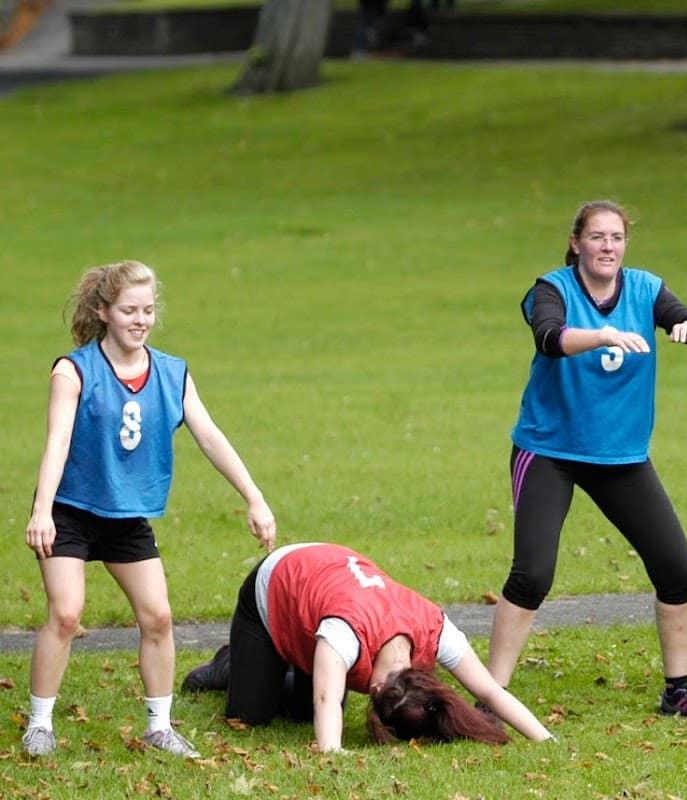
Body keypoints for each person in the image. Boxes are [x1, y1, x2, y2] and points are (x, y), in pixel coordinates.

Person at [22, 260, 277, 759]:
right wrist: (42, 511)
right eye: (129, 310)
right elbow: (56, 443)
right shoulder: (73, 371)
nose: (140, 320)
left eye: (148, 310)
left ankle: (159, 726)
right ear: (104, 311)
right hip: (69, 510)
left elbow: (210, 436)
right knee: (67, 612)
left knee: (158, 617)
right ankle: (40, 725)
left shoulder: (172, 373)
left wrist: (255, 497)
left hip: (124, 515)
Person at [487, 200, 687, 720]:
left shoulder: (645, 288)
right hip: (549, 450)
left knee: (677, 570)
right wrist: (602, 335)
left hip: (621, 457)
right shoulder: (550, 289)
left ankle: (677, 690)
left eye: (616, 238)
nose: (608, 247)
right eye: (597, 237)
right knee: (533, 575)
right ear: (576, 243)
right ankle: (491, 697)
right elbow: (550, 338)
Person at [181, 542, 554, 750]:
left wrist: (545, 739)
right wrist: (333, 752)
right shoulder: (344, 634)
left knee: (302, 709)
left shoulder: (435, 631)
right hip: (277, 582)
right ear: (375, 688)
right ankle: (229, 663)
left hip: (321, 607)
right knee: (250, 717)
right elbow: (327, 702)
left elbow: (488, 689)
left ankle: (283, 667)